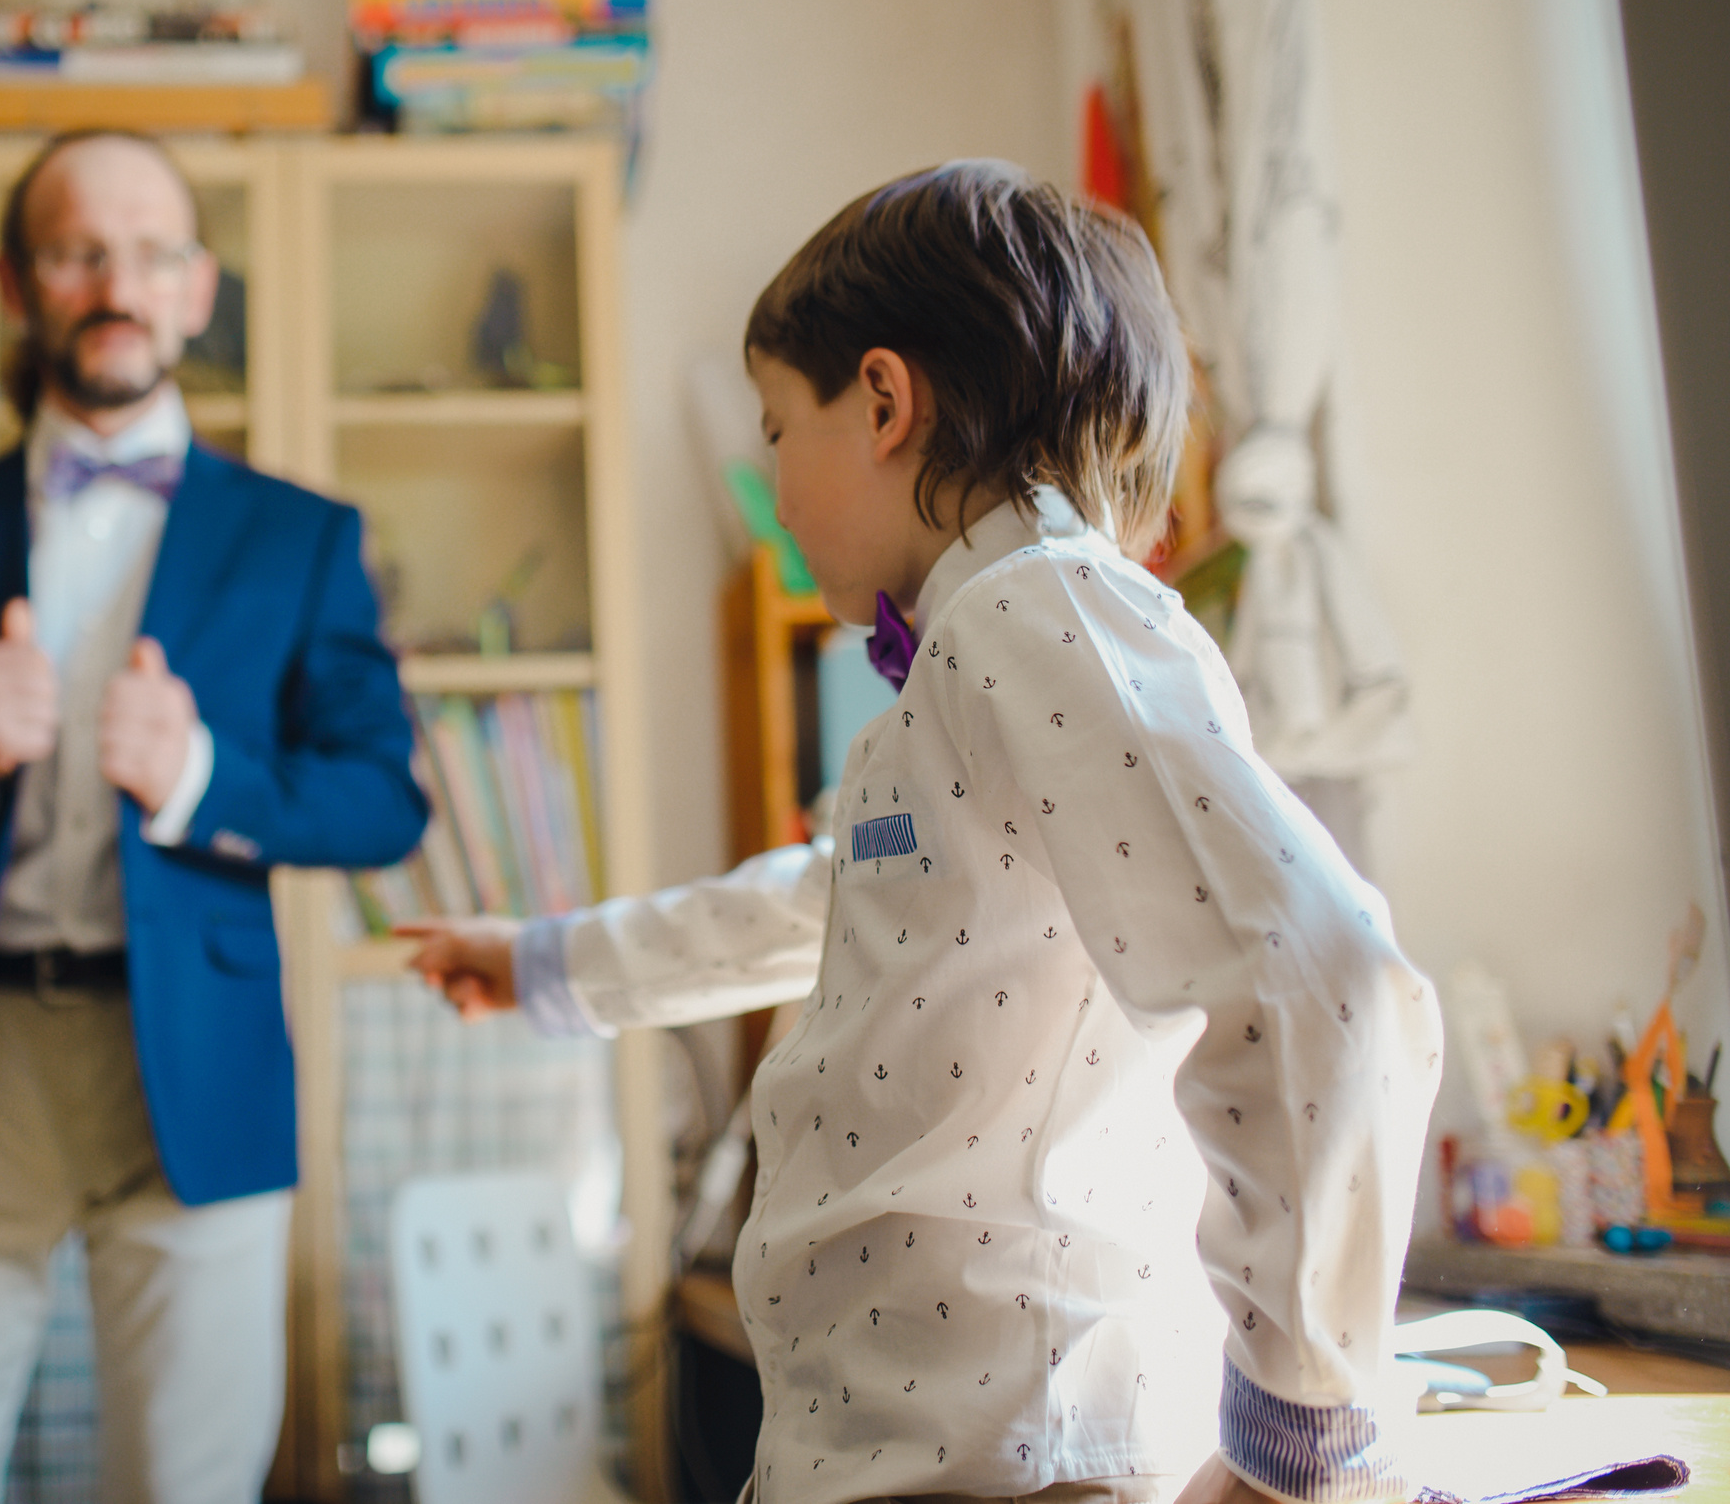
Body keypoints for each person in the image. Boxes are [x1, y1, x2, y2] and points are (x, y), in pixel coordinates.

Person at [405, 161, 1442, 1504]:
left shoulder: (1043, 614)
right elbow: (825, 900)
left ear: (883, 401)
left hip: (1020, 1457)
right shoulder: (968, 660)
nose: (768, 479)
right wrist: (552, 963)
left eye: (777, 426)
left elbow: (1324, 986)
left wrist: (1294, 1451)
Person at [0, 128, 430, 1504]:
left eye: (153, 251)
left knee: (190, 1482)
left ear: (198, 287)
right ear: (14, 281)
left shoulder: (302, 537)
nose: (119, 281)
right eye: (77, 250)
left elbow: (382, 797)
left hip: (200, 1064)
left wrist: (206, 779)